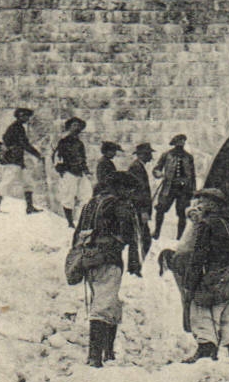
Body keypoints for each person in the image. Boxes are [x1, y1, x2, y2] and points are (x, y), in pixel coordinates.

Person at [72, 171, 143, 367]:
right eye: (129, 190)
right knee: (104, 305)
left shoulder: (91, 204)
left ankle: (108, 353)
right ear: (121, 188)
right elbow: (129, 235)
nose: (130, 194)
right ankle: (95, 357)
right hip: (109, 259)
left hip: (89, 260)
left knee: (110, 303)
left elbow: (77, 234)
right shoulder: (119, 205)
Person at [176, 187, 229, 361]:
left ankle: (206, 351)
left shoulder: (206, 225)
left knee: (201, 312)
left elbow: (198, 256)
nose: (199, 204)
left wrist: (189, 284)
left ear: (212, 204)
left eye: (202, 201)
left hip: (210, 276)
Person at [0, 108, 43, 215]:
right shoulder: (16, 128)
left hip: (18, 160)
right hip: (12, 159)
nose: (26, 118)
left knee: (28, 182)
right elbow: (24, 144)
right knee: (7, 182)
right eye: (24, 116)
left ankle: (29, 207)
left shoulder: (18, 127)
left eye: (27, 116)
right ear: (18, 116)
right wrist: (37, 154)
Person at [152, 135, 197, 240]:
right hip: (169, 188)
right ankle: (157, 232)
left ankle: (180, 236)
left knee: (182, 212)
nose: (181, 144)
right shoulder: (167, 155)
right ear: (174, 143)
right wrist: (159, 174)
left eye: (183, 142)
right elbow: (156, 169)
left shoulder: (188, 157)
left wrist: (193, 190)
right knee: (160, 209)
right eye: (179, 142)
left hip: (183, 189)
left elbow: (192, 175)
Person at [53, 117, 90, 227]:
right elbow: (57, 157)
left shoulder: (80, 143)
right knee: (68, 196)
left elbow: (83, 158)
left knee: (86, 196)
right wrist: (61, 169)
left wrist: (85, 169)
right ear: (69, 127)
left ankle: (82, 221)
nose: (76, 128)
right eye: (74, 125)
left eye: (78, 126)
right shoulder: (64, 142)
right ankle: (70, 222)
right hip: (69, 172)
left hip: (80, 172)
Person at [127, 144, 155, 252]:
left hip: (138, 208)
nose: (151, 156)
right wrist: (143, 210)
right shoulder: (136, 168)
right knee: (143, 239)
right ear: (142, 155)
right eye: (149, 154)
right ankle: (137, 261)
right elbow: (139, 191)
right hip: (138, 209)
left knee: (140, 238)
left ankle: (136, 260)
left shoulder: (138, 166)